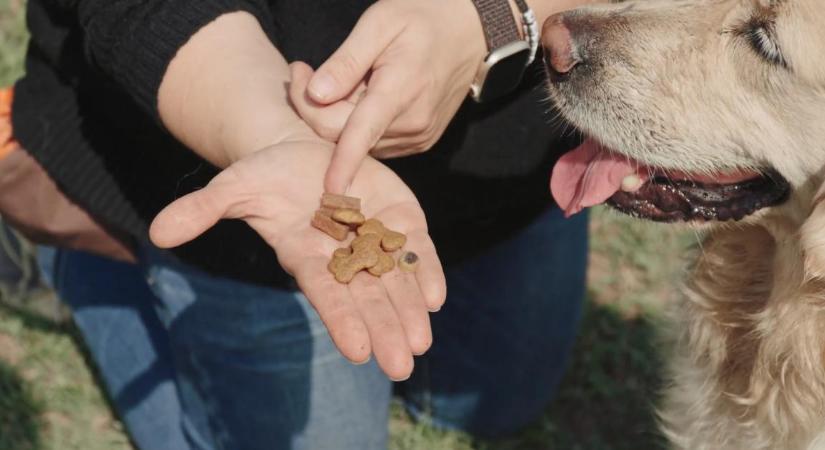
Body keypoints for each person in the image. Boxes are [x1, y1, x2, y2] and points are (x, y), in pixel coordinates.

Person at [9, 0, 591, 448]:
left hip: (508, 162)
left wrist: (500, 18)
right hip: (218, 138)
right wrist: (271, 133)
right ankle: (70, 235)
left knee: (494, 410)